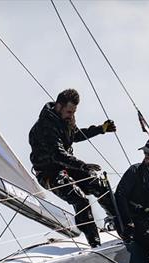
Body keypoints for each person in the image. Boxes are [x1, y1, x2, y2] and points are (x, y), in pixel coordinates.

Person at [29, 88, 118, 248]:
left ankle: (120, 223)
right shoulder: (45, 127)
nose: (71, 115)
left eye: (73, 112)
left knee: (97, 184)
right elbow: (58, 154)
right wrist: (83, 166)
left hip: (66, 166)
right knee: (80, 199)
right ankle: (95, 243)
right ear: (58, 106)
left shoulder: (66, 119)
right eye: (69, 111)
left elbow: (74, 135)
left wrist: (100, 129)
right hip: (49, 173)